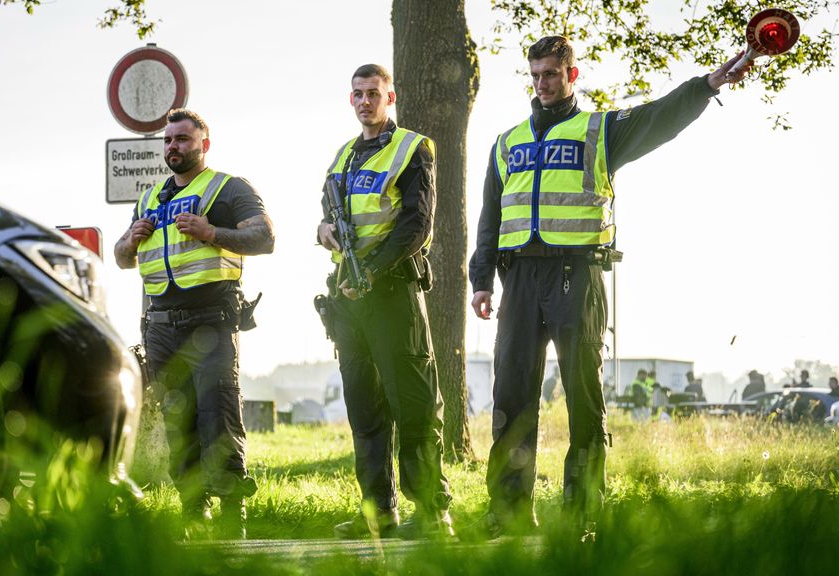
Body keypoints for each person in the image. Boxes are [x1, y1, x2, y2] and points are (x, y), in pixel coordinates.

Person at [467, 35, 753, 539]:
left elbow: (658, 117)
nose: (541, 84)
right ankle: (507, 512)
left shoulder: (600, 130)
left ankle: (582, 513)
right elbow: (491, 215)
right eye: (535, 75)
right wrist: (481, 279)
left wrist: (706, 86)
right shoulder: (507, 142)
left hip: (577, 275)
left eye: (550, 74)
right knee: (511, 395)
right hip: (520, 280)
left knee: (583, 396)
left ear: (572, 75)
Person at [113, 109, 275, 539]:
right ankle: (193, 511)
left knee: (218, 416)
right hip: (161, 327)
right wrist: (130, 240)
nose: (174, 146)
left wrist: (211, 233)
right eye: (168, 140)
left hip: (211, 322)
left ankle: (232, 516)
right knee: (177, 421)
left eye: (183, 139)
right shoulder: (150, 199)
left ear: (204, 144)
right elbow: (122, 258)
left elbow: (265, 238)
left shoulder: (228, 188)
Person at [317, 64, 453, 540]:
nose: (365, 101)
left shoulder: (413, 148)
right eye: (357, 94)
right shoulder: (344, 155)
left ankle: (433, 513)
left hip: (393, 293)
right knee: (365, 411)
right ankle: (378, 512)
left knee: (414, 406)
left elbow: (417, 225)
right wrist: (323, 231)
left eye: (373, 93)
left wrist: (371, 272)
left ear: (390, 97)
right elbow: (328, 212)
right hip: (348, 300)